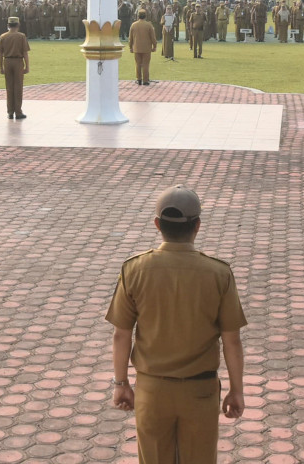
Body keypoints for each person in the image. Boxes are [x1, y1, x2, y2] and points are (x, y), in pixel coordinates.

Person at [105, 186, 247, 464]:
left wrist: (121, 383)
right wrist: (236, 389)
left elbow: (121, 335)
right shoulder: (218, 273)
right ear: (197, 226)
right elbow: (232, 340)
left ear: (158, 225)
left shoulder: (135, 269)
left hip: (152, 390)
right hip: (201, 391)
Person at [0, 16, 30, 120]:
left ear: (8, 25)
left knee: (9, 87)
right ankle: (18, 112)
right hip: (18, 61)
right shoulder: (21, 36)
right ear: (18, 25)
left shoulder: (3, 36)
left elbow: (0, 53)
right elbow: (25, 53)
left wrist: (1, 67)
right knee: (18, 87)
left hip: (7, 61)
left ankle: (10, 112)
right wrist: (27, 66)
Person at [128, 8, 158, 86]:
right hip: (146, 48)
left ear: (138, 16)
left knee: (138, 64)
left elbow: (130, 38)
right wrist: (154, 46)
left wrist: (130, 47)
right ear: (145, 16)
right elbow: (153, 37)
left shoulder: (133, 25)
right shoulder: (149, 25)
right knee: (146, 64)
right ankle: (145, 80)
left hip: (136, 48)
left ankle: (139, 79)